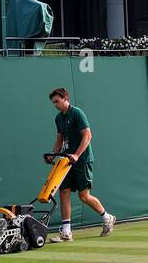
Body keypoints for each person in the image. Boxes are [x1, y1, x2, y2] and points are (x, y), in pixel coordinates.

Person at [48, 87, 115, 241]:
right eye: (53, 103)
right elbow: (59, 139)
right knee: (63, 192)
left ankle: (107, 217)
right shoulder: (58, 118)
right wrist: (52, 155)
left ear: (65, 98)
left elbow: (87, 135)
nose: (55, 105)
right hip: (66, 161)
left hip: (82, 159)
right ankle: (66, 232)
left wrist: (77, 155)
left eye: (57, 101)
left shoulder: (77, 113)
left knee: (84, 196)